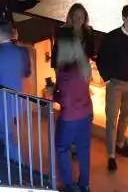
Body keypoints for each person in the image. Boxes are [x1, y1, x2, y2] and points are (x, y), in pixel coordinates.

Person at [95, 4, 128, 171]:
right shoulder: (112, 37)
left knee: (125, 115)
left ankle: (120, 143)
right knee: (112, 119)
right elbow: (100, 59)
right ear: (124, 18)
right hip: (115, 83)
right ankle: (111, 155)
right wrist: (108, 79)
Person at [0, 22, 31, 164]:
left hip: (0, 103)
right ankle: (4, 162)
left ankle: (18, 168)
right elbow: (26, 72)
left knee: (5, 136)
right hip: (16, 100)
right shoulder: (21, 53)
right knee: (6, 135)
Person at [53, 30, 93, 192]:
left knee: (62, 147)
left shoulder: (64, 71)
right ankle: (84, 185)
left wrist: (54, 94)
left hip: (70, 116)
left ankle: (68, 184)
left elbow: (66, 100)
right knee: (83, 150)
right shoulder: (84, 66)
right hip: (86, 113)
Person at [51, 3, 96, 69]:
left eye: (82, 16)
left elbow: (91, 51)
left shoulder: (89, 31)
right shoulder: (63, 32)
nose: (79, 19)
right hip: (68, 70)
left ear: (85, 17)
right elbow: (55, 55)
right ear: (71, 17)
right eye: (76, 16)